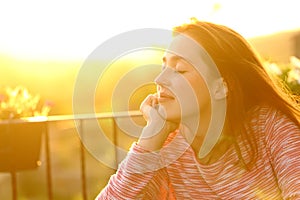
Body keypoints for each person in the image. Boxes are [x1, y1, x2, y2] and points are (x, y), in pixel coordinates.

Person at [96, 18, 300, 199]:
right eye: (164, 66)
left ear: (220, 87)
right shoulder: (165, 146)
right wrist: (149, 138)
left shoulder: (270, 127)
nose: (159, 80)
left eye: (179, 69)